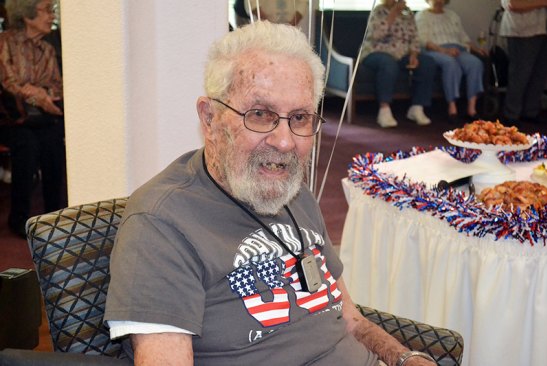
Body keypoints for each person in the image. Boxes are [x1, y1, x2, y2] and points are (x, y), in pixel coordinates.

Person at [104, 21, 435, 366]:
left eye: (300, 117)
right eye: (260, 115)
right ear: (210, 119)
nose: (284, 141)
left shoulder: (292, 193)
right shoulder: (161, 225)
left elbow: (349, 318)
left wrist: (405, 358)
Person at [0, 0, 64, 237]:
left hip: (42, 119)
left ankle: (55, 217)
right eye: (47, 10)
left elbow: (58, 88)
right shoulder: (5, 42)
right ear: (27, 15)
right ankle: (19, 220)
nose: (51, 16)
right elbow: (9, 83)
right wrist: (40, 96)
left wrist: (41, 95)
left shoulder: (47, 49)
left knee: (54, 145)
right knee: (26, 147)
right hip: (13, 120)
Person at [359, 0, 436, 128]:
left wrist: (414, 55)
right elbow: (376, 34)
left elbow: (414, 38)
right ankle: (384, 109)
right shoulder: (379, 11)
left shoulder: (408, 13)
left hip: (402, 54)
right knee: (388, 64)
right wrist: (394, 12)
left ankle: (417, 107)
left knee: (427, 62)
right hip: (376, 52)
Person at [415, 0, 487, 123]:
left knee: (475, 63)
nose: (438, 1)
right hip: (435, 50)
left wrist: (477, 49)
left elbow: (463, 38)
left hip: (457, 49)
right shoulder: (421, 16)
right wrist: (444, 50)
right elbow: (423, 41)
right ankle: (452, 108)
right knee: (451, 64)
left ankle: (471, 109)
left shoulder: (452, 15)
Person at [499, 0, 547, 124]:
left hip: (543, 27)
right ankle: (511, 114)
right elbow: (513, 4)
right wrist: (545, 2)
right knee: (520, 74)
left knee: (539, 73)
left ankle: (530, 111)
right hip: (521, 30)